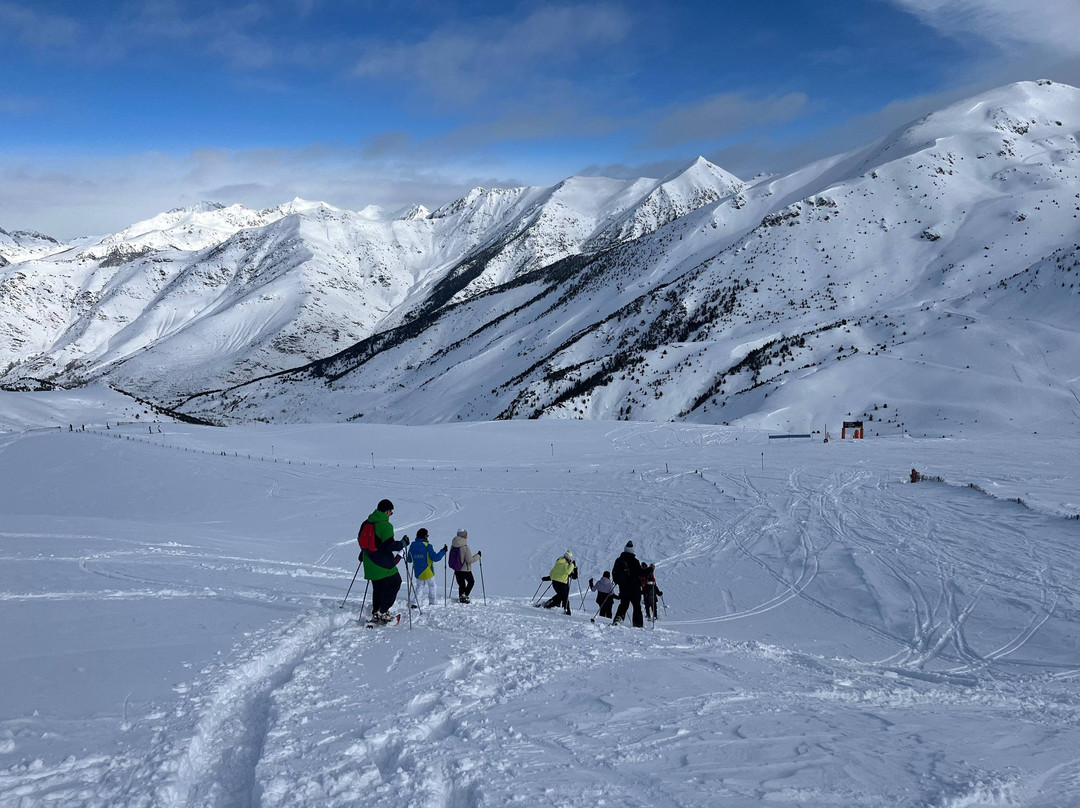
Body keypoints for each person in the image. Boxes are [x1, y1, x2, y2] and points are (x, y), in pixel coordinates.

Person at [361, 499, 406, 623]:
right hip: (382, 563)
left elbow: (363, 540)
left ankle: (376, 611)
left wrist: (363, 553)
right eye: (391, 512)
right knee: (396, 582)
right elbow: (389, 546)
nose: (391, 515)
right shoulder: (385, 525)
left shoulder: (366, 523)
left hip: (369, 562)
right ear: (387, 511)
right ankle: (383, 611)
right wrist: (402, 543)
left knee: (378, 587)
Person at [407, 528, 447, 608]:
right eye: (427, 535)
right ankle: (432, 602)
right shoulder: (428, 546)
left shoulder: (412, 546)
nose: (428, 537)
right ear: (425, 536)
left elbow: (409, 560)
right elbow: (435, 558)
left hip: (418, 571)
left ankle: (416, 602)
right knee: (432, 586)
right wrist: (443, 551)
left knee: (419, 587)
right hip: (428, 570)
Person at [611, 541, 644, 627]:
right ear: (632, 551)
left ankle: (618, 619)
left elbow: (614, 573)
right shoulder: (635, 561)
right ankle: (638, 624)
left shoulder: (618, 560)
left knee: (623, 604)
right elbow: (640, 572)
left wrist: (618, 582)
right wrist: (650, 569)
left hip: (623, 587)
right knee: (636, 606)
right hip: (634, 587)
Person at [449, 529, 481, 603]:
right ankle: (464, 596)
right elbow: (470, 560)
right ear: (464, 536)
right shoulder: (465, 547)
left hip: (457, 569)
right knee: (471, 582)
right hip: (466, 570)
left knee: (461, 584)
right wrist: (478, 555)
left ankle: (461, 597)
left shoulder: (453, 545)